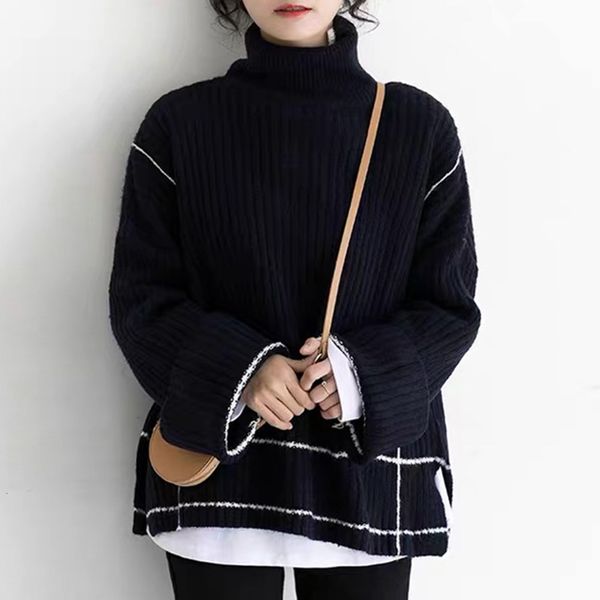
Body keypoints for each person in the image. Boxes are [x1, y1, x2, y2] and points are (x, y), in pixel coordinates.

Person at [108, 0, 482, 598]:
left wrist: (357, 376)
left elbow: (449, 304)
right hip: (219, 482)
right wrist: (241, 370)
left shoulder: (418, 128)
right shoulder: (179, 124)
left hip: (365, 482)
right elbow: (140, 299)